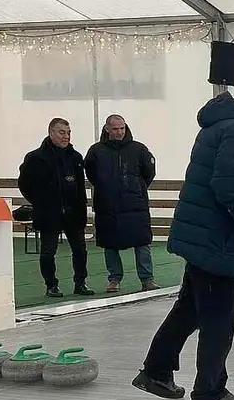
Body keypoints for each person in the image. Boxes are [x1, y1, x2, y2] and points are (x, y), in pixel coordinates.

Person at [131, 77, 234, 400]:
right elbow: (230, 187)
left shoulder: (221, 124)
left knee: (191, 308)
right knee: (219, 317)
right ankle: (209, 391)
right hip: (216, 238)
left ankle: (156, 371)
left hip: (202, 231)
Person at [17, 117, 94, 298]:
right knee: (48, 251)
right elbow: (24, 184)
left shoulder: (75, 158)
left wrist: (82, 209)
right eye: (61, 132)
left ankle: (80, 282)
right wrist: (40, 202)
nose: (66, 136)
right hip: (48, 213)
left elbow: (81, 188)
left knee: (80, 250)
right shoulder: (35, 158)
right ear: (51, 132)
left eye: (68, 133)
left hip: (73, 213)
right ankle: (51, 285)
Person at [84, 114, 159, 293]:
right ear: (107, 129)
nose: (119, 132)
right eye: (115, 129)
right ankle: (114, 279)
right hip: (107, 206)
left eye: (122, 128)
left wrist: (136, 189)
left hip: (135, 205)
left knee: (142, 243)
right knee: (110, 245)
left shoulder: (139, 149)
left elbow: (149, 173)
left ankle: (147, 279)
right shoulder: (96, 151)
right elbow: (91, 174)